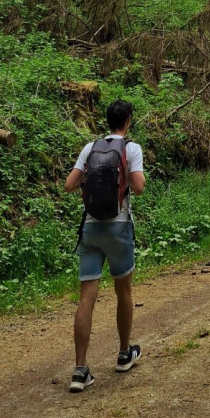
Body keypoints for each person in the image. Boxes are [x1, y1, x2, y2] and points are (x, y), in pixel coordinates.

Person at [63, 98, 146, 393]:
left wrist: (91, 188)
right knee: (123, 290)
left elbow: (69, 184)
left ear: (107, 120)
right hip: (119, 226)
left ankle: (80, 369)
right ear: (128, 120)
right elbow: (138, 186)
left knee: (87, 295)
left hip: (90, 227)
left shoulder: (90, 147)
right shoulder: (131, 149)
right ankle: (125, 353)